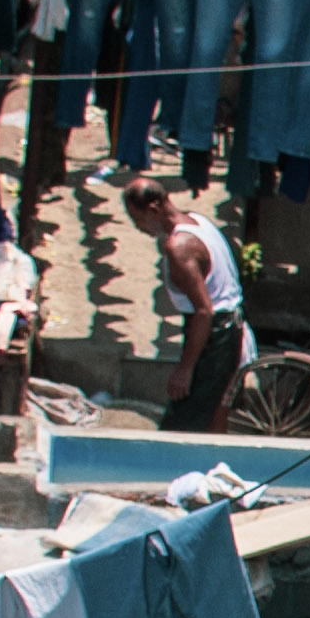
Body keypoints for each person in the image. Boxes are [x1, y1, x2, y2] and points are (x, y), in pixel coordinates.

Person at [126, 170, 246, 430]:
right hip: (233, 327)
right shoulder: (198, 221)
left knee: (181, 427)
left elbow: (204, 311)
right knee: (212, 419)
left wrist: (185, 369)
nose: (139, 228)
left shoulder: (179, 247)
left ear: (153, 209)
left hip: (216, 338)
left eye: (138, 219)